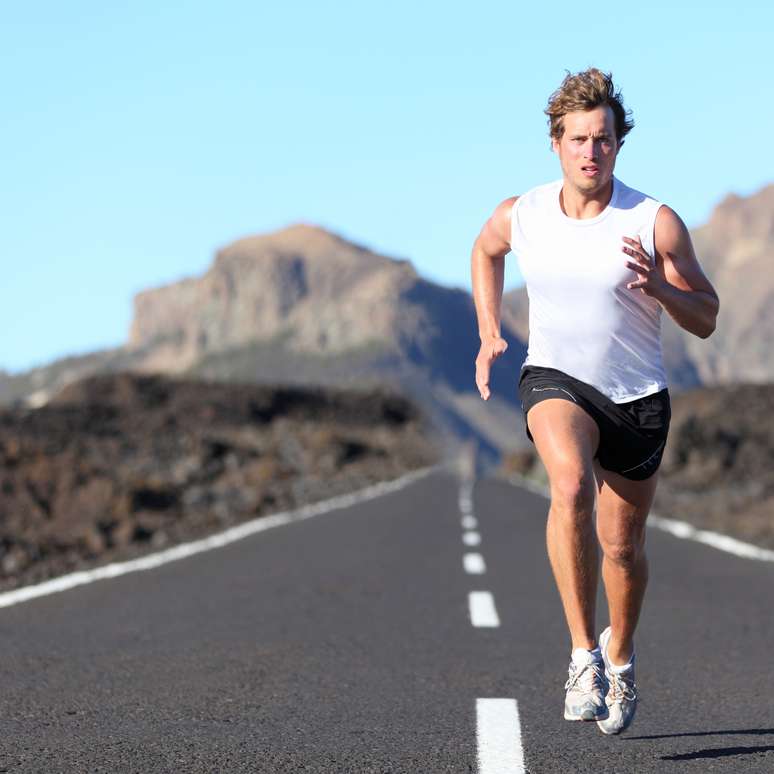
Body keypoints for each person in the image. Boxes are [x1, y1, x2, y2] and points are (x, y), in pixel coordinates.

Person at [470, 67, 719, 735]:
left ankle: (621, 653)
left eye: (602, 140)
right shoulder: (523, 214)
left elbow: (707, 315)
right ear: (556, 143)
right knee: (570, 483)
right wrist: (491, 329)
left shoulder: (652, 221)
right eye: (578, 139)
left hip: (637, 399)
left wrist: (662, 292)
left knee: (622, 549)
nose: (590, 152)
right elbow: (484, 249)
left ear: (618, 144)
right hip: (556, 379)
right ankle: (583, 654)